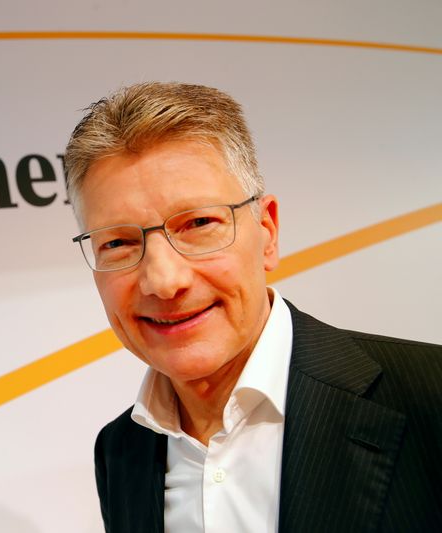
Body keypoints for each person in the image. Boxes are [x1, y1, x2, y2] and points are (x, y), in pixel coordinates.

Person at [63, 82, 441, 533]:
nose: (164, 282)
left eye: (199, 223)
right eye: (119, 242)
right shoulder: (120, 450)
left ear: (267, 232)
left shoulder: (429, 398)